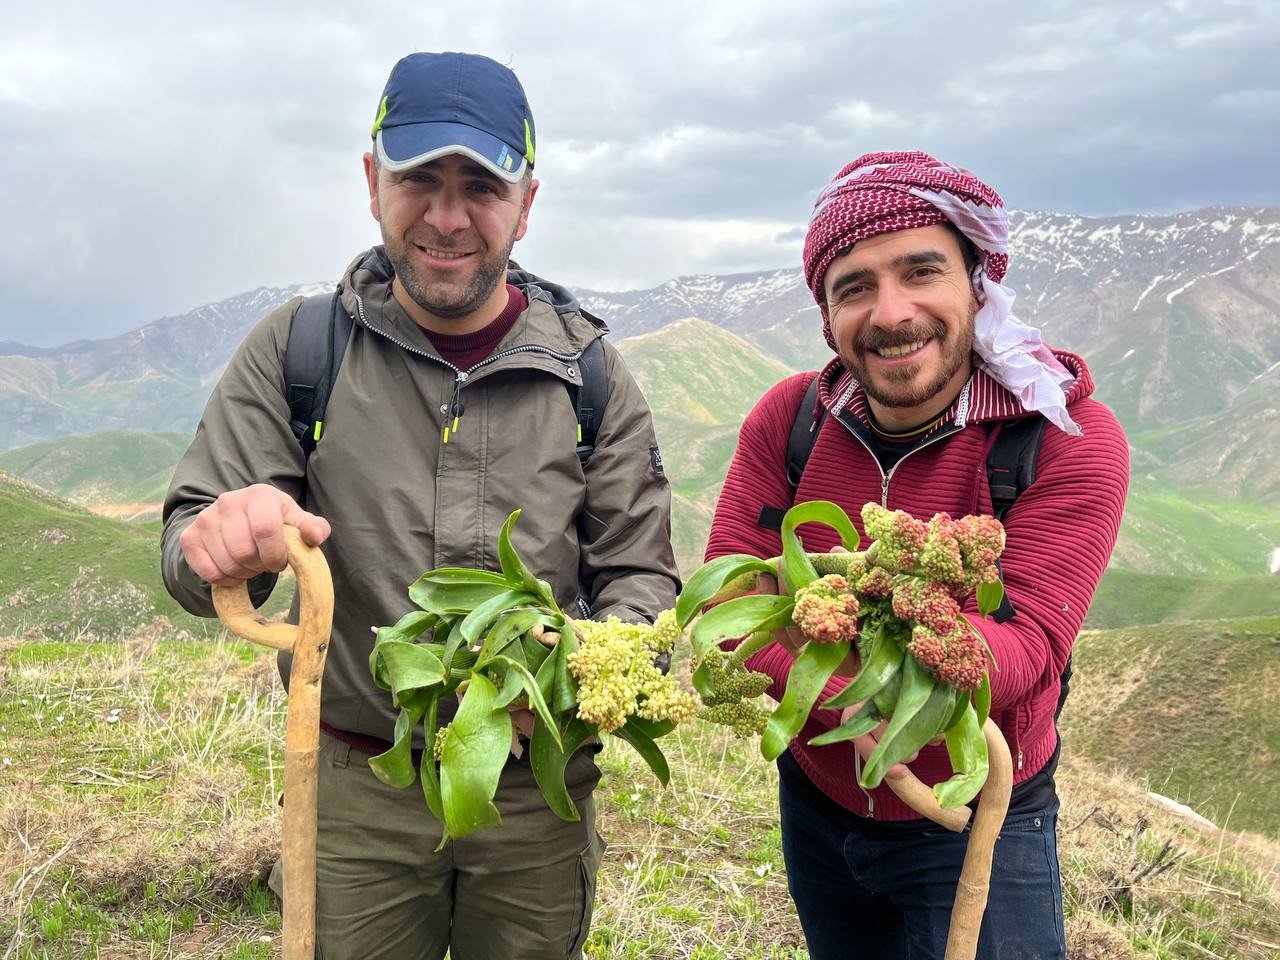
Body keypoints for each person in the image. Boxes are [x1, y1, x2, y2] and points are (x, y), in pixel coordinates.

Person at [161, 51, 679, 960]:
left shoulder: (591, 377)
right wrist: (214, 544)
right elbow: (188, 547)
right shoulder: (299, 351)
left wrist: (575, 670)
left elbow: (642, 580)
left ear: (527, 203)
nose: (446, 216)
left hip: (536, 790)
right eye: (417, 180)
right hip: (354, 792)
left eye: (480, 184)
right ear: (372, 183)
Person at [704, 151, 1129, 959]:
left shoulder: (1066, 442)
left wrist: (828, 673)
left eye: (921, 271)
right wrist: (851, 703)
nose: (891, 312)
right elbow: (730, 605)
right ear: (827, 316)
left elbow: (1025, 648)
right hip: (819, 798)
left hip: (978, 819)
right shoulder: (789, 422)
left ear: (978, 282)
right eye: (853, 287)